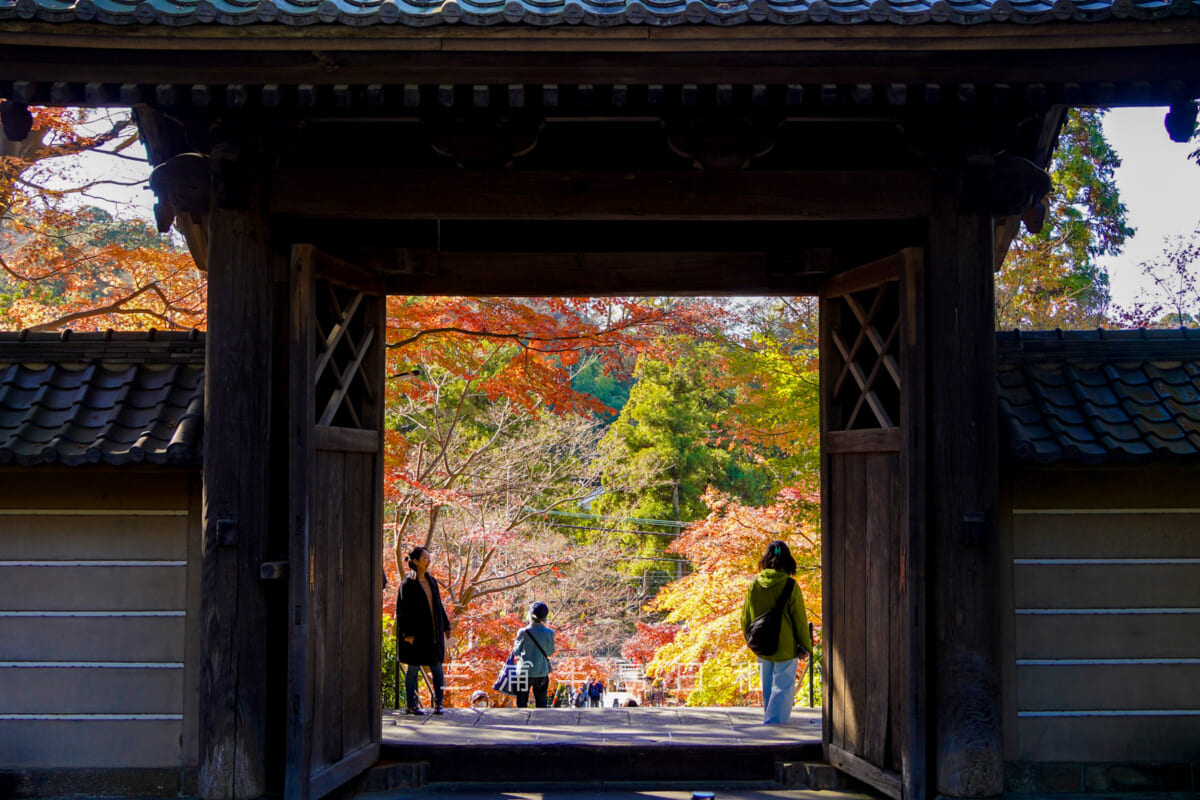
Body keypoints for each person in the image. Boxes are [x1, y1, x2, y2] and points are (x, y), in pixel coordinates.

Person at [740, 539, 813, 724]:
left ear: (765, 559)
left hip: (762, 644)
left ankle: (769, 719)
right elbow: (799, 619)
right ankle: (774, 725)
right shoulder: (790, 585)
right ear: (788, 561)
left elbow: (745, 618)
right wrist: (805, 645)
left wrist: (751, 639)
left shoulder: (755, 585)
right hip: (785, 646)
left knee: (767, 686)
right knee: (783, 687)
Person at [396, 546, 452, 716]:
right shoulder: (408, 584)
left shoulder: (432, 581)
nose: (428, 560)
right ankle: (411, 704)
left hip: (434, 634)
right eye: (425, 558)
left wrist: (446, 625)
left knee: (437, 668)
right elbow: (402, 611)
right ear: (415, 562)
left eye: (429, 557)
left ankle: (438, 704)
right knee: (413, 669)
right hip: (416, 635)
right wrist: (408, 634)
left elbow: (438, 605)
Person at [509, 601, 555, 708]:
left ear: (530, 615)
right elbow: (550, 652)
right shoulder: (549, 633)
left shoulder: (523, 632)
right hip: (541, 671)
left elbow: (516, 651)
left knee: (521, 702)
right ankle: (541, 723)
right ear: (544, 617)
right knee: (541, 703)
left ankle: (522, 723)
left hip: (524, 672)